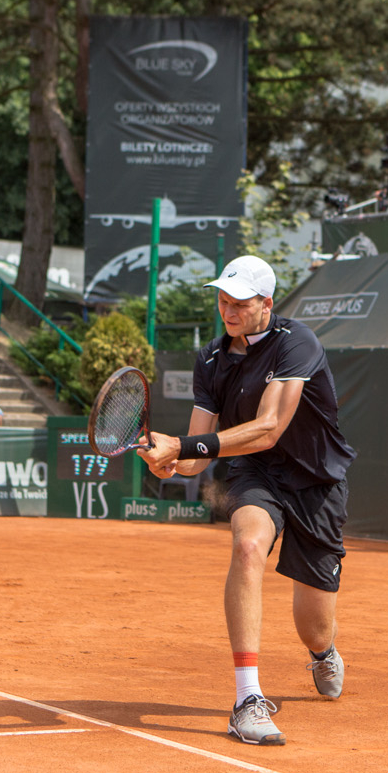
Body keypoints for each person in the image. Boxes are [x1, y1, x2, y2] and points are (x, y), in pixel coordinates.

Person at [139, 255, 354, 746]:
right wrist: (167, 459)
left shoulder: (297, 342)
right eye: (222, 300)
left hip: (318, 484)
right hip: (257, 476)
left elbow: (268, 429)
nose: (228, 310)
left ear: (267, 304)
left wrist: (185, 447)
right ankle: (247, 699)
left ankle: (323, 654)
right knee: (248, 547)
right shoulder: (211, 360)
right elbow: (196, 456)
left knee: (315, 628)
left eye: (239, 302)